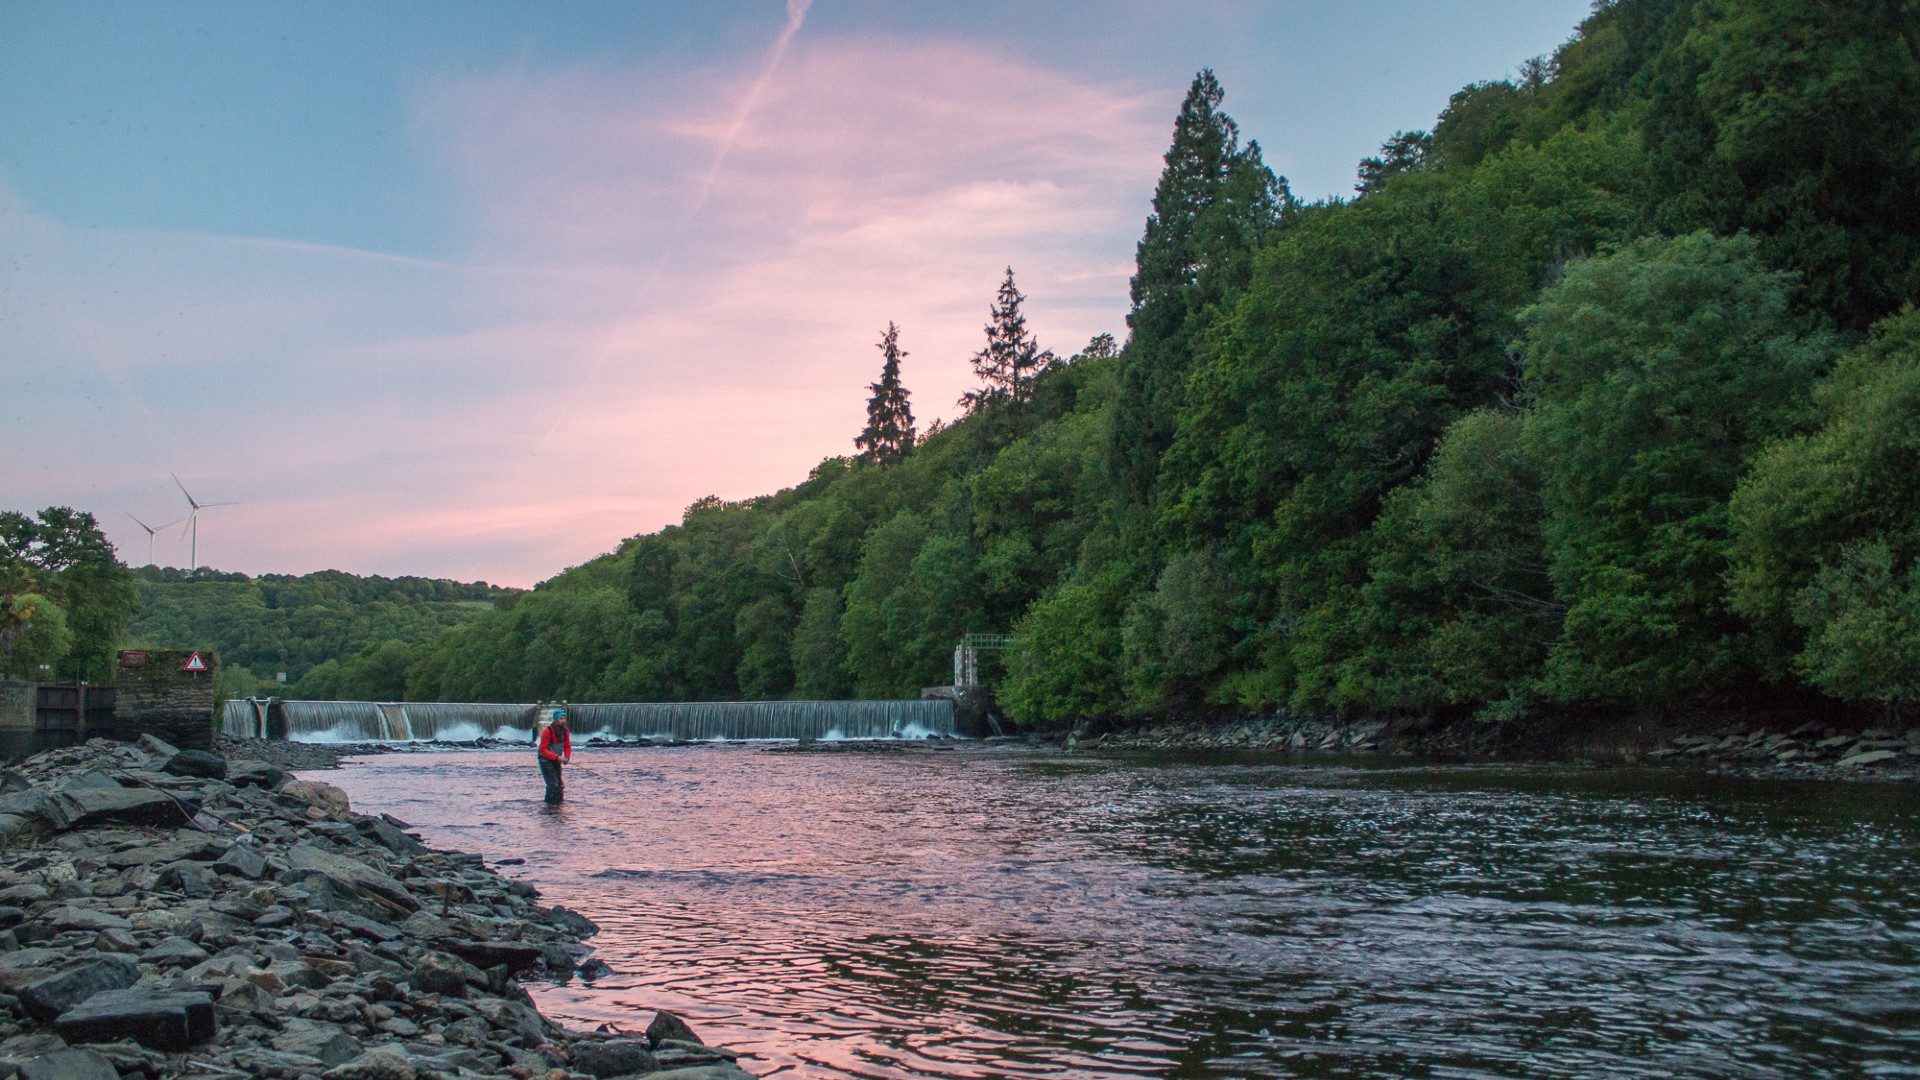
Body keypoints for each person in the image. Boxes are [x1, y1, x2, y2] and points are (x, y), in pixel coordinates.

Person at [537, 708, 572, 804]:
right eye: (560, 718)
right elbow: (543, 750)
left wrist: (567, 758)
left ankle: (559, 804)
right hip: (544, 759)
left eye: (564, 718)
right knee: (553, 784)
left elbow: (567, 746)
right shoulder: (547, 731)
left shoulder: (566, 731)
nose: (563, 721)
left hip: (556, 759)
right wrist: (557, 757)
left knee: (560, 785)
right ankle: (549, 805)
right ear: (555, 719)